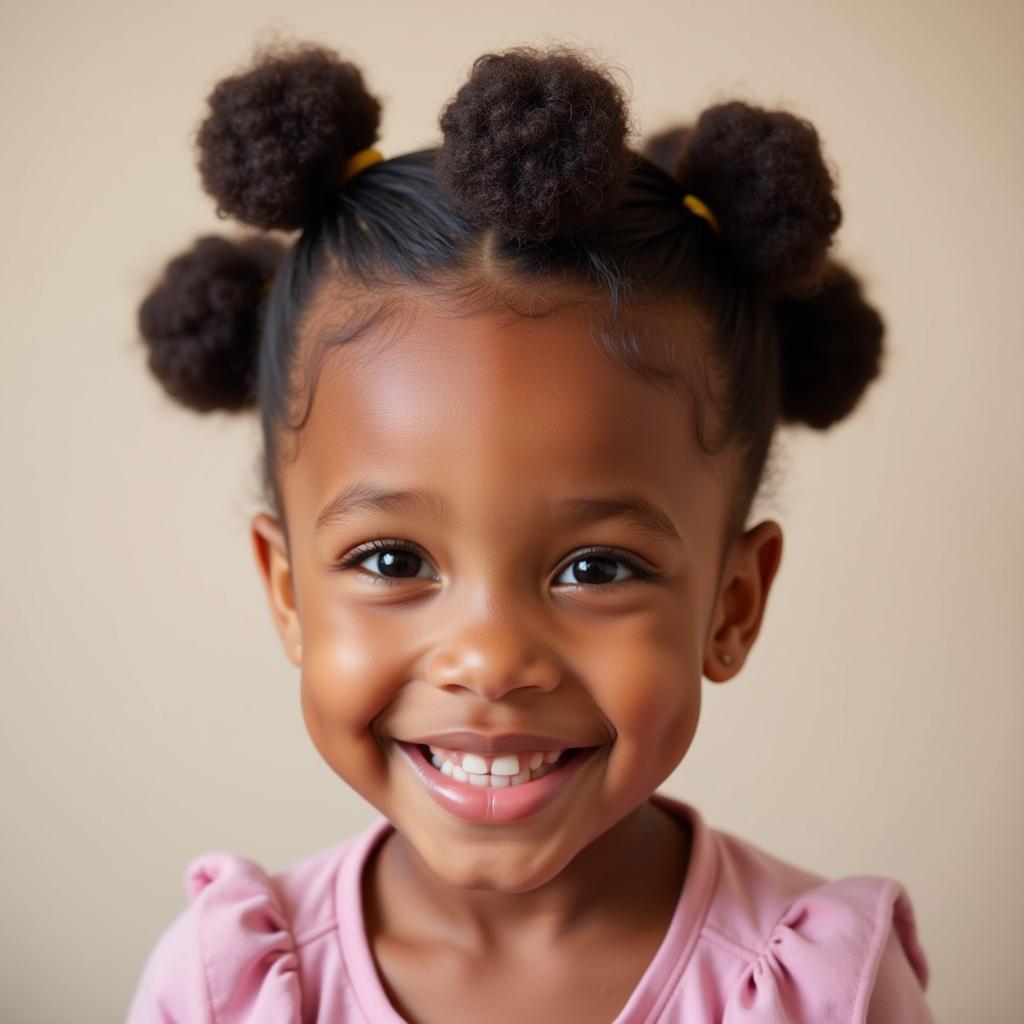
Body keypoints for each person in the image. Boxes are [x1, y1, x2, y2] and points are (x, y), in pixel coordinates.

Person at [126, 38, 933, 1023]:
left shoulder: (821, 993)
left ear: (733, 603)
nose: (491, 660)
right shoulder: (227, 985)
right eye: (392, 559)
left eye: (596, 567)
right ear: (288, 592)